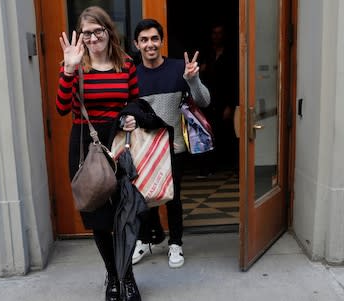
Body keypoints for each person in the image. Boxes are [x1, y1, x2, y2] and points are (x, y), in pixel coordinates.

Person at [56, 6, 140, 301]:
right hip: (86, 146)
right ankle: (112, 276)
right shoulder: (75, 65)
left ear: (108, 31)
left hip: (119, 143)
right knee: (99, 216)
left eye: (98, 31)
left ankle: (127, 274)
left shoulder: (126, 65)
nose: (93, 38)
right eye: (87, 33)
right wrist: (68, 70)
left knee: (124, 215)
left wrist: (131, 116)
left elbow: (134, 102)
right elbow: (62, 107)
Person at [131, 19, 211, 268]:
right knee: (142, 197)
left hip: (173, 146)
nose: (150, 44)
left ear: (162, 41)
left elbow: (204, 101)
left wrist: (193, 79)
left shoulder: (179, 68)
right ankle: (144, 240)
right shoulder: (131, 75)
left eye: (154, 38)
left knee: (173, 197)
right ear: (137, 44)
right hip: (142, 148)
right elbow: (126, 110)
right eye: (144, 40)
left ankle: (175, 243)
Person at [200, 23, 239, 173]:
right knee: (209, 132)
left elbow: (234, 79)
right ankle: (210, 167)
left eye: (220, 33)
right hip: (208, 100)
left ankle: (230, 167)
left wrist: (231, 104)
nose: (217, 36)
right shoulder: (207, 53)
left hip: (225, 99)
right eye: (214, 33)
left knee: (226, 133)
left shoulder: (231, 54)